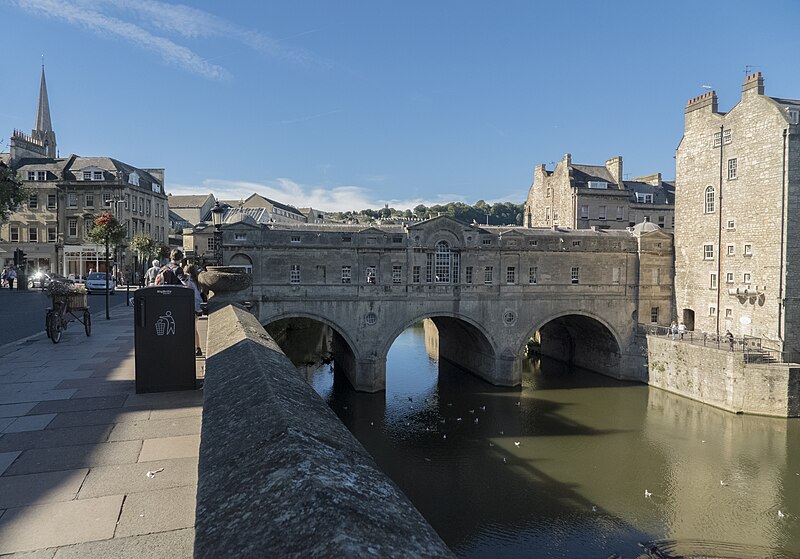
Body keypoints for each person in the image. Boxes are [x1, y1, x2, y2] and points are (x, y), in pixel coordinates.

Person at [184, 264, 204, 356]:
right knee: (194, 328)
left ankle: (192, 347)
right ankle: (198, 347)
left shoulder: (188, 280)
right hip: (198, 306)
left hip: (191, 305)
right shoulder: (197, 280)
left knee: (190, 328)